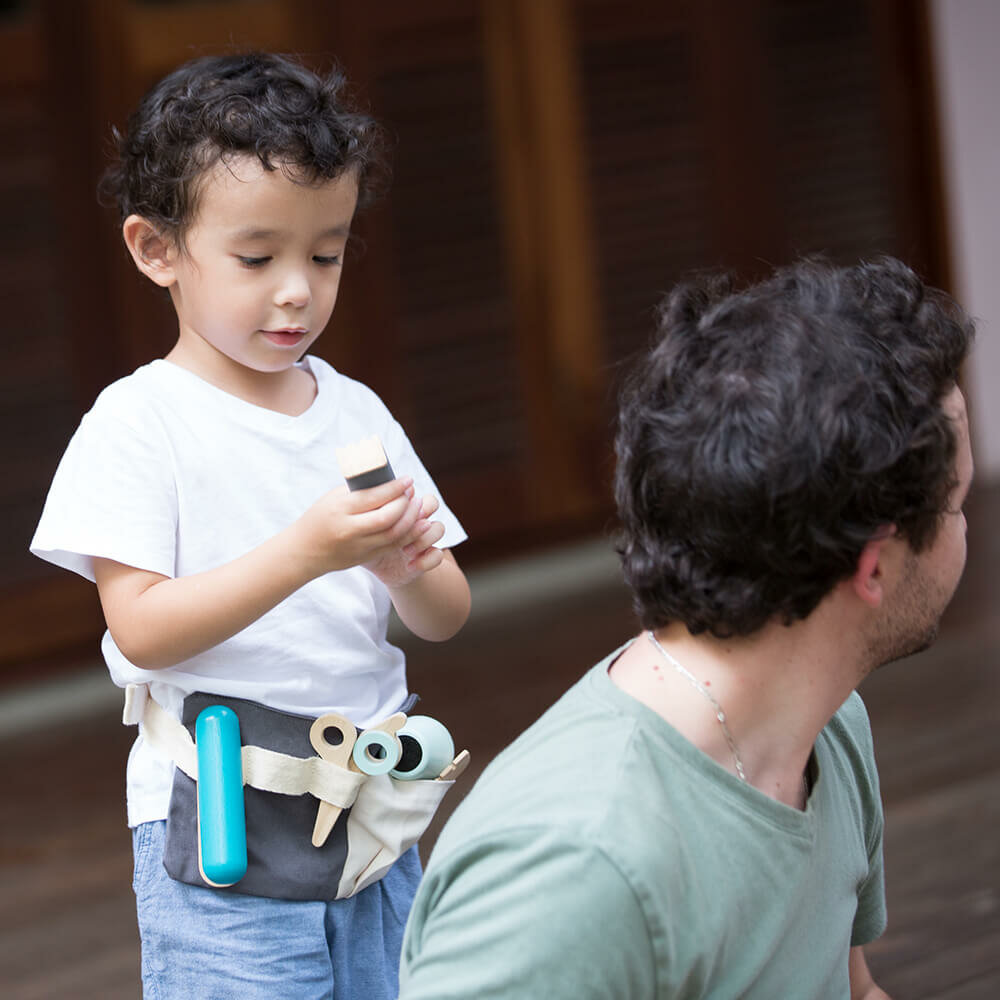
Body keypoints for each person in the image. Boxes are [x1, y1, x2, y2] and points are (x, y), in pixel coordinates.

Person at [398, 257, 975, 999]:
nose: (967, 529)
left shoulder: (826, 726)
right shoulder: (570, 873)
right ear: (875, 566)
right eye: (957, 504)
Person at [31, 52, 471, 1000]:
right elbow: (140, 629)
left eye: (326, 254)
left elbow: (444, 616)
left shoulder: (356, 412)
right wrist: (307, 552)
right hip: (220, 827)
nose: (297, 290)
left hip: (373, 821)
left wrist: (406, 563)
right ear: (157, 250)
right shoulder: (138, 424)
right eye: (258, 258)